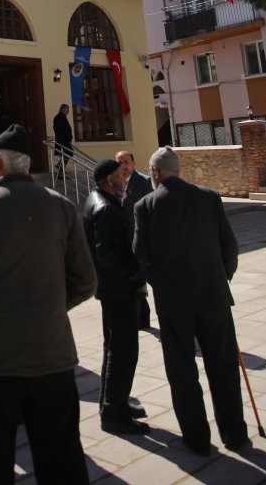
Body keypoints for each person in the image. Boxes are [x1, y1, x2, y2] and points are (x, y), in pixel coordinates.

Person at [0, 124, 96, 484]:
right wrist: (52, 308)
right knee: (61, 457)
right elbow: (86, 282)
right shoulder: (60, 205)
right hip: (52, 355)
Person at [133, 146, 248, 456]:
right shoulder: (208, 197)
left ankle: (197, 439)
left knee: (182, 370)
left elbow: (141, 255)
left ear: (155, 173)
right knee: (223, 366)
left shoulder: (146, 205)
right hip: (214, 295)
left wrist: (159, 282)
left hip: (174, 301)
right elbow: (230, 246)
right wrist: (223, 275)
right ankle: (235, 434)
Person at [83, 159, 149, 435]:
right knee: (123, 351)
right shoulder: (106, 209)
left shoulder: (100, 202)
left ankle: (113, 402)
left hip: (112, 289)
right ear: (110, 180)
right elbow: (108, 255)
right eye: (121, 175)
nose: (125, 180)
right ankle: (113, 412)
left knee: (115, 349)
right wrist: (136, 273)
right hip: (119, 290)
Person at [115, 149, 152, 329]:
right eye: (119, 162)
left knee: (144, 278)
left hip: (141, 238)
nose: (123, 166)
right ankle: (141, 317)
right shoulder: (114, 184)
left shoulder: (144, 182)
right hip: (124, 240)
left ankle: (145, 316)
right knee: (134, 280)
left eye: (126, 161)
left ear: (133, 163)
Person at [52, 102, 74, 172]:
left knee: (68, 153)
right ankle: (60, 170)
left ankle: (60, 168)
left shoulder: (61, 117)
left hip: (64, 140)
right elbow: (61, 130)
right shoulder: (59, 117)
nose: (68, 112)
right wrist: (68, 138)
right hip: (63, 141)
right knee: (68, 153)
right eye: (67, 110)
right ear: (64, 110)